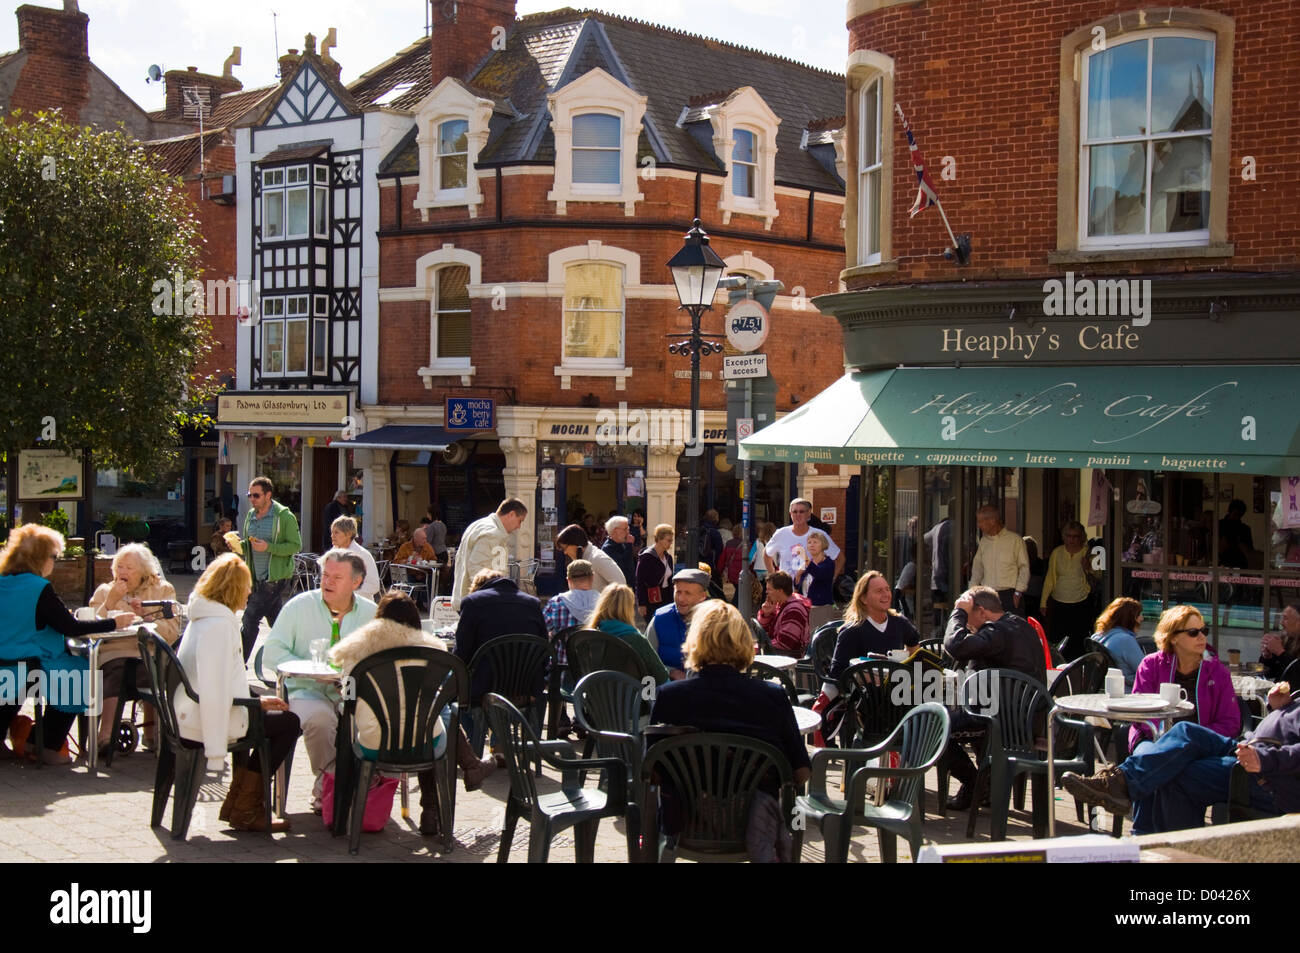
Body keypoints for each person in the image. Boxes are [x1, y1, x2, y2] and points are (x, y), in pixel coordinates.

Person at [650, 600, 811, 862]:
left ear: (695, 641)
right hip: (754, 827)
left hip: (686, 824)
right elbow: (800, 772)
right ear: (744, 643)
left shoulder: (670, 697)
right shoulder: (772, 697)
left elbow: (653, 771)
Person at [328, 592, 497, 836]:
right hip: (425, 741)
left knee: (428, 720)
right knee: (436, 718)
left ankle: (344, 816)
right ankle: (434, 809)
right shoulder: (433, 649)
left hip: (373, 741)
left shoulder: (357, 648)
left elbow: (349, 695)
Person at [1065, 678, 1299, 835]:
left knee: (1177, 773)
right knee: (1184, 732)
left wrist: (1266, 758)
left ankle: (1154, 841)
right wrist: (1278, 708)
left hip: (1272, 775)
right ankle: (1122, 783)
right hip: (1251, 748)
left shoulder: (1212, 667)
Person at [180, 553, 299, 832]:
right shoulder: (220, 625)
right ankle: (245, 808)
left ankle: (238, 803)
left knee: (273, 716)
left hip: (193, 708)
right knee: (289, 723)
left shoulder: (203, 615)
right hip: (208, 716)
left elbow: (220, 680)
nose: (250, 591)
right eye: (247, 585)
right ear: (234, 588)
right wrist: (256, 704)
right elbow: (217, 686)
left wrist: (256, 700)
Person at [0, 525, 133, 764]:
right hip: (31, 665)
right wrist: (113, 623)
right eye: (54, 556)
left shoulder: (3, 581)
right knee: (78, 671)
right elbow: (70, 628)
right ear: (40, 558)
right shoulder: (38, 588)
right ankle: (46, 745)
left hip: (7, 665)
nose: (55, 562)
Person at [262, 549, 378, 813]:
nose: (328, 582)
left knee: (374, 721)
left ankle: (354, 784)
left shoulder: (371, 614)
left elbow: (381, 657)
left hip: (351, 691)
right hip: (305, 689)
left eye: (337, 577)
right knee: (320, 720)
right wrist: (310, 669)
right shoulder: (299, 606)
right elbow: (272, 653)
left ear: (356, 583)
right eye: (325, 575)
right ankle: (330, 784)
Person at [939, 586, 1046, 810]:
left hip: (1001, 723)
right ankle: (987, 785)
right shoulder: (1023, 627)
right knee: (968, 715)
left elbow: (956, 646)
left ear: (981, 611)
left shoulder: (996, 632)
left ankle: (974, 783)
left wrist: (957, 612)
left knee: (933, 727)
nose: (967, 624)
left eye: (969, 616)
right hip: (1028, 720)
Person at [88, 543, 181, 755]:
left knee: (149, 665)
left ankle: (152, 733)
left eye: (129, 568)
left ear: (144, 570)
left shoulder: (162, 590)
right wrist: (110, 602)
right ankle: (105, 737)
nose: (123, 572)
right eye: (120, 566)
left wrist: (147, 617)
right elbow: (90, 628)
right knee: (117, 667)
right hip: (114, 654)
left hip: (149, 654)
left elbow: (172, 632)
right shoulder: (104, 591)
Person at [1127, 605, 1239, 753]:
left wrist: (1192, 737)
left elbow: (1230, 722)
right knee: (1153, 755)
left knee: (1164, 764)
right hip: (1153, 738)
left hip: (1199, 744)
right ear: (1173, 637)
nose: (1202, 637)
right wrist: (1167, 738)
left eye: (1204, 631)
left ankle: (1120, 775)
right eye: (1193, 632)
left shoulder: (1218, 672)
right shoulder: (1151, 665)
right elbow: (1140, 711)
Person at [453, 567, 549, 740]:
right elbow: (543, 647)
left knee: (449, 685)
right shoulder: (532, 603)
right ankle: (500, 741)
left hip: (485, 687)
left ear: (478, 587)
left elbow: (461, 653)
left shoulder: (473, 603)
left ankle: (476, 738)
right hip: (525, 685)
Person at [238, 476, 302, 661]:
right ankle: (295, 658)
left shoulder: (284, 516)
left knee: (249, 620)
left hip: (274, 579)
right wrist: (238, 545)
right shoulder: (250, 515)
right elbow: (249, 544)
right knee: (278, 623)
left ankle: (237, 670)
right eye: (250, 495)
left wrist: (269, 547)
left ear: (268, 495)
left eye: (256, 495)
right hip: (255, 579)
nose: (252, 499)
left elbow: (295, 546)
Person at [825, 571, 919, 684]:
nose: (886, 594)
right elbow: (837, 674)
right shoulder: (851, 631)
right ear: (863, 598)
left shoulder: (899, 622)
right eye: (879, 591)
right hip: (864, 696)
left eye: (887, 589)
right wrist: (866, 677)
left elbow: (915, 648)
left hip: (897, 693)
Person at [451, 498, 528, 611]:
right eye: (520, 521)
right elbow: (477, 570)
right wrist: (493, 599)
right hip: (480, 603)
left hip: (470, 600)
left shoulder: (479, 525)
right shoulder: (493, 533)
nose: (519, 527)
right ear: (511, 514)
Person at [589, 584, 670, 685]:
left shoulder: (587, 637)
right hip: (632, 698)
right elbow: (662, 677)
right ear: (628, 609)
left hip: (594, 696)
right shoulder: (636, 640)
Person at [1041, 520, 1096, 661]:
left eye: (1075, 536)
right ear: (1064, 537)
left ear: (1081, 537)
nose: (1071, 540)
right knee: (1058, 639)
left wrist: (1088, 567)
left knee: (1079, 640)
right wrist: (1043, 602)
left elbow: (1100, 575)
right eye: (1068, 536)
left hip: (1081, 601)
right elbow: (1050, 578)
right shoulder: (1057, 552)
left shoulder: (1087, 553)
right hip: (1059, 601)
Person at [645, 568, 711, 681]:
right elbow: (645, 660)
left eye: (688, 593)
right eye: (678, 592)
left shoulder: (714, 622)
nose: (681, 599)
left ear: (702, 596)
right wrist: (670, 671)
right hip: (665, 689)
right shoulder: (660, 619)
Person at [968, 505, 1029, 613]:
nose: (979, 525)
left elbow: (1024, 568)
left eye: (980, 521)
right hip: (988, 596)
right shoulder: (984, 541)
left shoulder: (1015, 540)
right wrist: (971, 592)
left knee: (1012, 629)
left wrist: (1018, 592)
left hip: (1010, 595)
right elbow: (978, 569)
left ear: (992, 521)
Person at [765, 498, 843, 579]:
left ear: (808, 514)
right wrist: (773, 575)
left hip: (812, 589)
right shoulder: (781, 533)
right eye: (795, 512)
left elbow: (840, 558)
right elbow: (767, 553)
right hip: (786, 589)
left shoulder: (819, 535)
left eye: (801, 512)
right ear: (790, 514)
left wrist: (831, 580)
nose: (798, 515)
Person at [1091, 597, 1146, 691]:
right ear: (1129, 618)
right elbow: (1145, 672)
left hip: (1105, 690)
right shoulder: (1126, 641)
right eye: (1138, 615)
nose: (1142, 618)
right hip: (1129, 695)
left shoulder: (1096, 637)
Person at [756, 571, 812, 658]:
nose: (766, 593)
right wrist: (766, 615)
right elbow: (763, 632)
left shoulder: (794, 610)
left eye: (769, 589)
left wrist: (760, 648)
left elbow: (785, 645)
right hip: (777, 653)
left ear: (779, 591)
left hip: (790, 658)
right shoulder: (780, 605)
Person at [555, 524, 625, 592]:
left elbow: (621, 585)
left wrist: (603, 602)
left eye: (565, 548)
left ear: (575, 543)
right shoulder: (583, 559)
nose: (565, 552)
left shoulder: (597, 558)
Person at [794, 530, 838, 630]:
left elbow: (819, 574)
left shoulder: (828, 563)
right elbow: (799, 586)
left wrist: (805, 558)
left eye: (815, 542)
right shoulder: (808, 563)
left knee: (820, 641)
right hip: (806, 608)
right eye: (809, 542)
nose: (811, 545)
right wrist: (797, 577)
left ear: (823, 545)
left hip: (821, 609)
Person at [543, 559, 600, 637]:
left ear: (568, 580)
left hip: (564, 649)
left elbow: (542, 629)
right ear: (592, 578)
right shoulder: (604, 603)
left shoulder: (556, 603)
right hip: (595, 649)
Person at [329, 516, 381, 601]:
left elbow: (374, 586)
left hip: (359, 607)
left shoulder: (363, 555)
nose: (332, 536)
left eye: (336, 532)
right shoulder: (332, 552)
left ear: (348, 534)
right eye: (332, 532)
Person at [635, 523, 675, 621]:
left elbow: (670, 581)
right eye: (669, 540)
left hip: (667, 598)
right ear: (659, 539)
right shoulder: (646, 557)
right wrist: (642, 604)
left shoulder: (668, 557)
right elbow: (639, 582)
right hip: (651, 598)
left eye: (671, 540)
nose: (671, 543)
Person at [1259, 603, 1300, 681]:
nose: (1281, 623)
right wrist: (1268, 657)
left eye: (1285, 618)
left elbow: (1296, 674)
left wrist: (1280, 652)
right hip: (1279, 690)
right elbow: (1270, 674)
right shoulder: (1287, 639)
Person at [601, 516, 638, 586]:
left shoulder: (622, 543)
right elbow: (624, 568)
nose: (628, 532)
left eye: (628, 529)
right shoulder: (608, 548)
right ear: (615, 531)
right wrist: (629, 545)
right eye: (625, 529)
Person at [1218, 498, 1255, 569]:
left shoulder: (1245, 529)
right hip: (1223, 564)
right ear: (1229, 511)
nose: (1237, 518)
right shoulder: (1219, 525)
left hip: (1240, 564)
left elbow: (1249, 550)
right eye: (1235, 515)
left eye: (1240, 515)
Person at [1022, 536, 1045, 621]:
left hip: (1037, 606)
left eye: (1032, 551)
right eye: (1027, 551)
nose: (1029, 554)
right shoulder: (1016, 566)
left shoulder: (1042, 566)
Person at [698, 509, 724, 580]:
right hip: (710, 562)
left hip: (698, 560)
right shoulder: (714, 532)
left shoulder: (698, 529)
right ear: (716, 519)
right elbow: (719, 550)